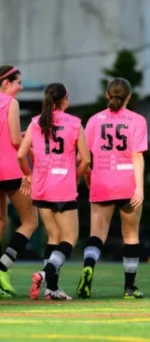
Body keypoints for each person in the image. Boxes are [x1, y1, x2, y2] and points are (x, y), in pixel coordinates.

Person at [17, 83, 90, 300]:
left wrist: (28, 175)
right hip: (63, 187)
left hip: (41, 187)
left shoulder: (35, 123)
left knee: (54, 237)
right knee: (70, 238)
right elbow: (86, 159)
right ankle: (44, 274)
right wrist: (75, 177)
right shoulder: (75, 124)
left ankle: (52, 289)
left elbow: (21, 155)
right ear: (65, 100)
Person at [76, 78, 147, 299]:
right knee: (131, 235)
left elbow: (84, 157)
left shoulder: (95, 121)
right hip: (127, 182)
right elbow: (137, 156)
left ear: (108, 95)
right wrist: (140, 188)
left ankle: (88, 268)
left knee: (96, 235)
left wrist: (88, 176)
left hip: (102, 179)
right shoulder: (137, 120)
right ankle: (129, 287)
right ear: (129, 97)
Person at [0, 65, 38, 298]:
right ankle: (2, 268)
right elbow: (13, 140)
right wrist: (29, 146)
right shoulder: (10, 103)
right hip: (10, 167)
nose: (20, 87)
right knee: (30, 221)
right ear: (5, 82)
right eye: (18, 82)